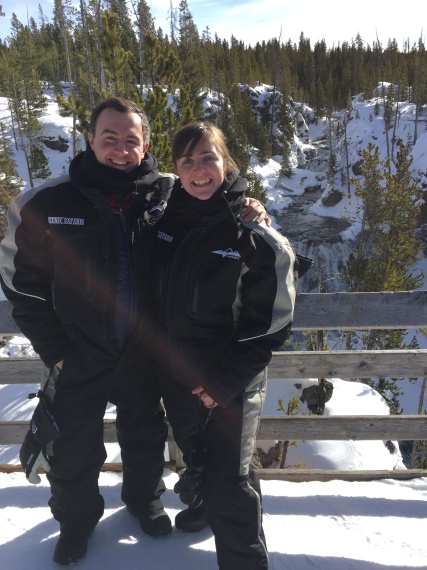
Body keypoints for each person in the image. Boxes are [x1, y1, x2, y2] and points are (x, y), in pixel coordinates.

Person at [0, 97, 269, 566]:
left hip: (144, 352)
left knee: (143, 434)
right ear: (90, 140)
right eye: (110, 138)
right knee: (71, 447)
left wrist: (249, 207)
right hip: (78, 351)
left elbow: (214, 207)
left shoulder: (168, 192)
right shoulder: (47, 202)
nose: (121, 149)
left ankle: (144, 503)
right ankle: (77, 523)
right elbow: (20, 284)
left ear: (144, 144)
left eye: (131, 140)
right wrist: (53, 348)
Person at [141, 121, 298, 569]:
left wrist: (222, 384)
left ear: (225, 160)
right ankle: (206, 506)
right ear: (176, 169)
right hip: (178, 377)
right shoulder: (167, 217)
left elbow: (270, 324)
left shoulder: (250, 230)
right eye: (187, 161)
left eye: (208, 157)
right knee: (202, 460)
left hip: (230, 384)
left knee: (231, 481)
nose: (199, 170)